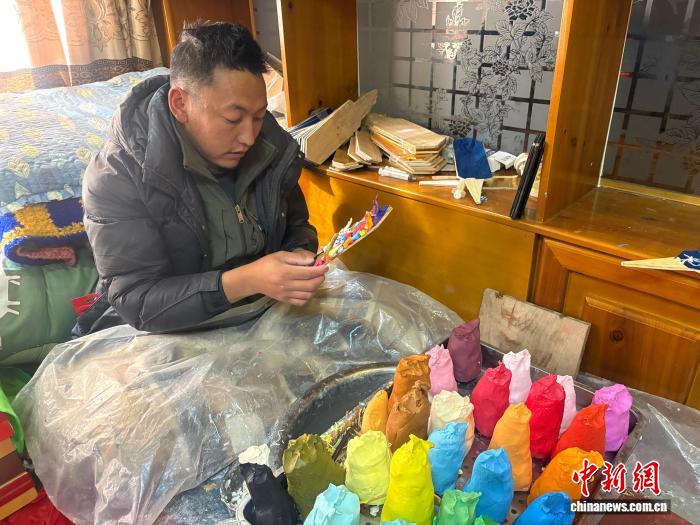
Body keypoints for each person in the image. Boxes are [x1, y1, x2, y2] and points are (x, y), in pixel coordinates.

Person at [74, 21, 327, 336]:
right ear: (180, 104)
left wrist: (300, 255)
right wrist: (245, 280)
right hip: (161, 334)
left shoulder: (271, 149)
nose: (248, 137)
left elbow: (297, 226)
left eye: (259, 117)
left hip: (259, 318)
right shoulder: (117, 175)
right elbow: (137, 300)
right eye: (232, 119)